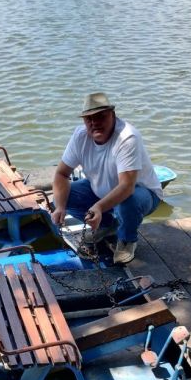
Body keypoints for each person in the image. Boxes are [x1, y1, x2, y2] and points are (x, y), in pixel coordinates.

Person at [50, 92, 163, 265]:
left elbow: (127, 186)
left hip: (141, 193)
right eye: (89, 119)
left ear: (113, 115)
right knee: (62, 197)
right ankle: (108, 226)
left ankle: (127, 239)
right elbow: (61, 174)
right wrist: (60, 207)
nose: (94, 122)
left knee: (127, 202)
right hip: (100, 188)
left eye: (100, 116)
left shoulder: (127, 137)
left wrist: (98, 207)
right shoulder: (80, 136)